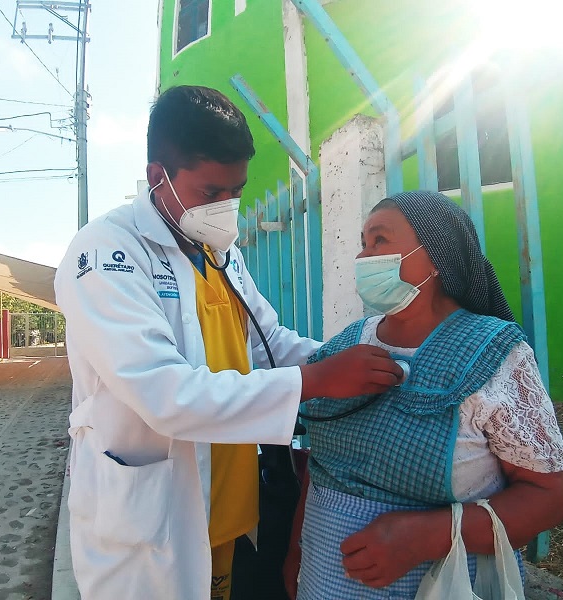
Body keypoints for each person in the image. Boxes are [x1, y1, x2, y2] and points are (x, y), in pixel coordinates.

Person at [54, 85, 403, 600]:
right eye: (210, 192)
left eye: (235, 191)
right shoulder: (107, 253)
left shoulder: (217, 250)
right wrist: (314, 381)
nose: (226, 207)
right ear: (158, 178)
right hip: (154, 522)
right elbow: (164, 394)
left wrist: (342, 365)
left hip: (229, 508)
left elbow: (265, 342)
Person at [283, 190, 563, 599]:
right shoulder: (347, 345)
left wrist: (428, 536)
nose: (365, 258)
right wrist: (297, 551)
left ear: (436, 255)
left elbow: (549, 498)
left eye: (380, 241)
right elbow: (321, 467)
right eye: (363, 244)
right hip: (321, 580)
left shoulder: (494, 354)